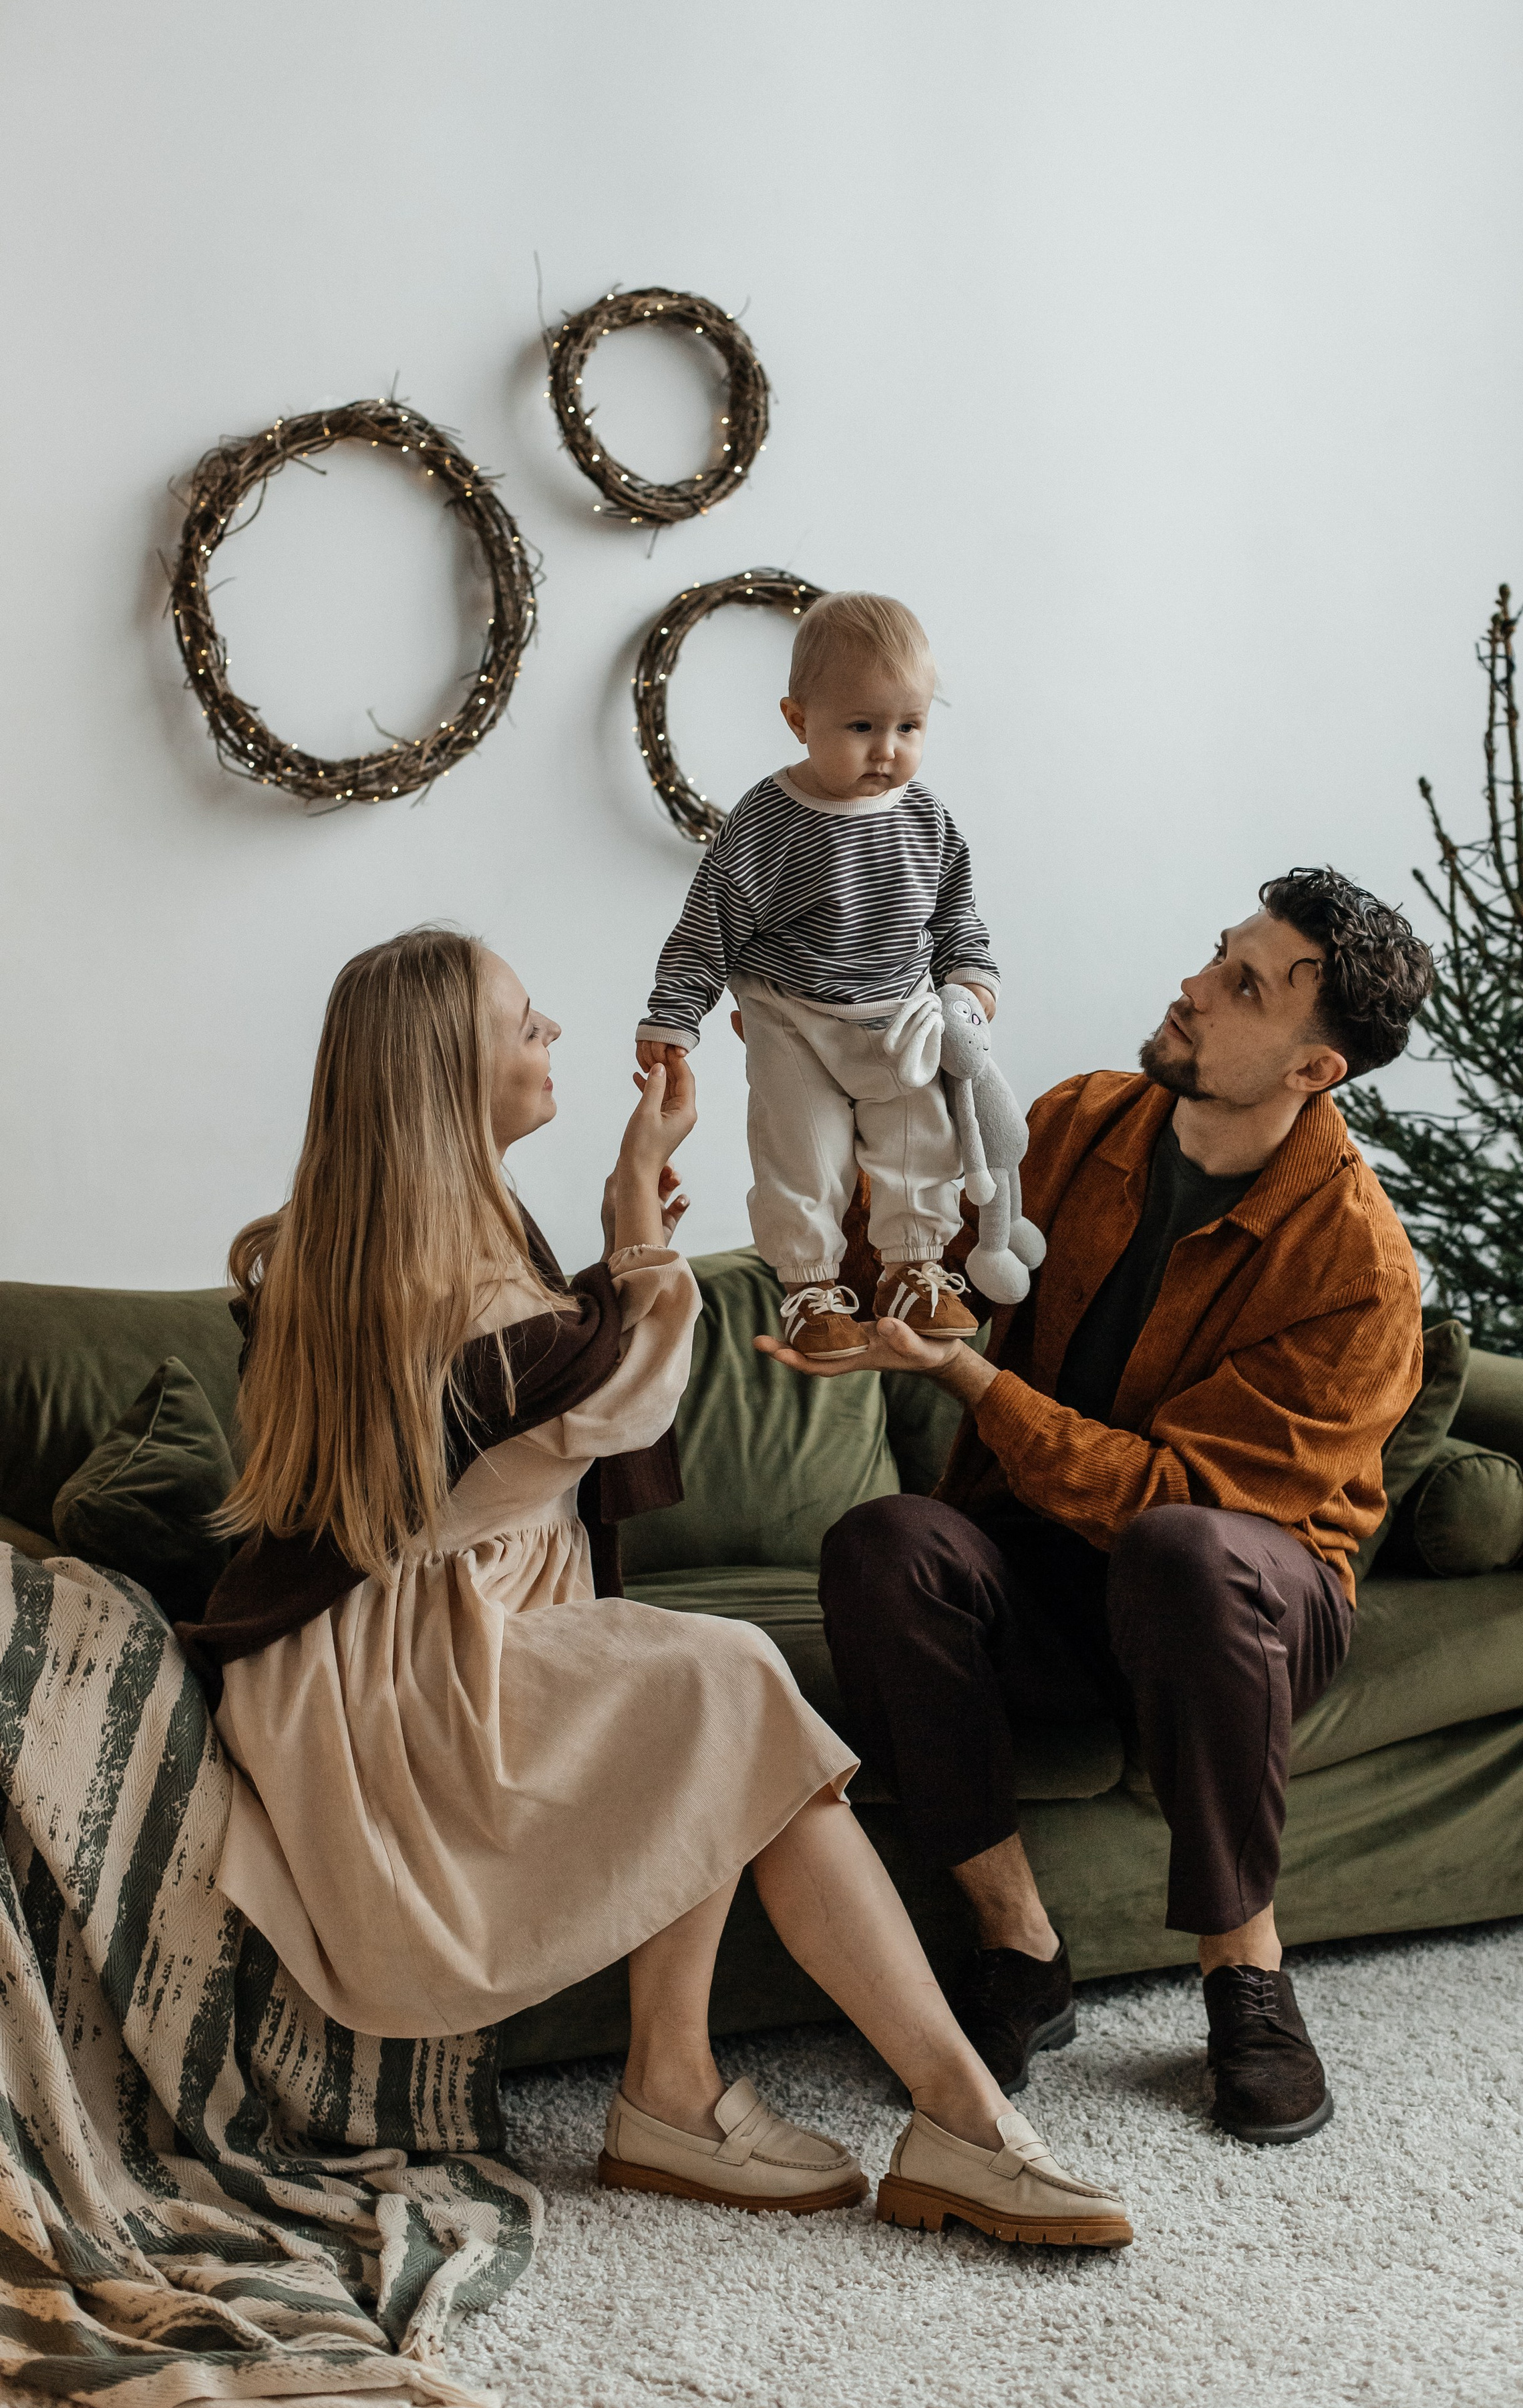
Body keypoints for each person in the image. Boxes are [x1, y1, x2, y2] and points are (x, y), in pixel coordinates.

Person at [180, 926, 1130, 2246]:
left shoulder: (408, 1243)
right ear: (451, 1073)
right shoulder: (432, 1279)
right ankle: (920, 2115)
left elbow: (519, 1400)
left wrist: (620, 1248)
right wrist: (638, 1231)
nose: (552, 1036)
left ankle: (730, 2096)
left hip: (411, 1649)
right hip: (405, 1695)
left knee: (699, 1693)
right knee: (723, 1672)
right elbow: (611, 1408)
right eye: (524, 1025)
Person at [762, 868, 1435, 2146]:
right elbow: (904, 1256)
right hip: (1049, 1566)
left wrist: (967, 1375)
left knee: (1184, 1552)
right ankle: (1019, 1948)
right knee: (883, 1543)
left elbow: (1171, 1501)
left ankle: (1247, 1975)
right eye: (1217, 955)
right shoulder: (1077, 1125)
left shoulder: (1359, 1268)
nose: (1194, 988)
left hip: (1246, 1602)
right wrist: (841, 1099)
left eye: (1243, 986)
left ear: (1315, 1070)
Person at [636, 592, 1005, 1363]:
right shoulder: (768, 822)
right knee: (801, 1151)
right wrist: (673, 1018)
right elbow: (710, 924)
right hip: (791, 1018)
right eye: (861, 727)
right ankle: (809, 1284)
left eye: (910, 727)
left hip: (901, 1015)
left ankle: (914, 1269)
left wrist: (970, 982)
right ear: (799, 720)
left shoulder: (927, 818)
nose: (887, 750)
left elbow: (955, 916)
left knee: (921, 1140)